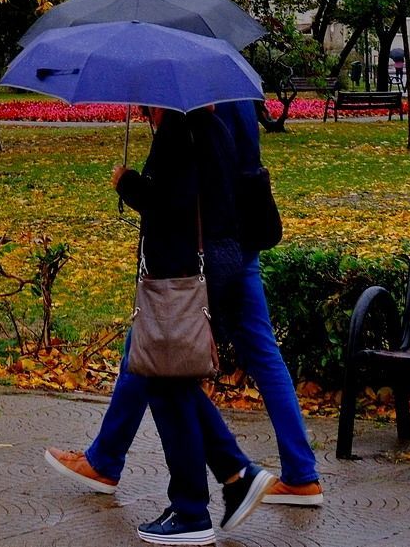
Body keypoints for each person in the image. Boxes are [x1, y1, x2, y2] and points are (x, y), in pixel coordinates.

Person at [45, 100, 324, 509]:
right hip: (238, 238)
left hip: (205, 248)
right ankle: (297, 474)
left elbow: (181, 190)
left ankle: (133, 469)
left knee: (153, 351)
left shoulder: (195, 111)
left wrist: (133, 182)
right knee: (251, 353)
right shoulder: (234, 91)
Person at [66, 106, 273, 545]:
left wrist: (128, 184)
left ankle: (191, 510)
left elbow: (171, 204)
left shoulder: (182, 133)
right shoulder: (206, 127)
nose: (144, 108)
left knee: (164, 382)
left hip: (181, 276)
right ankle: (236, 473)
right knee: (173, 384)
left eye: (146, 103)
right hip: (207, 266)